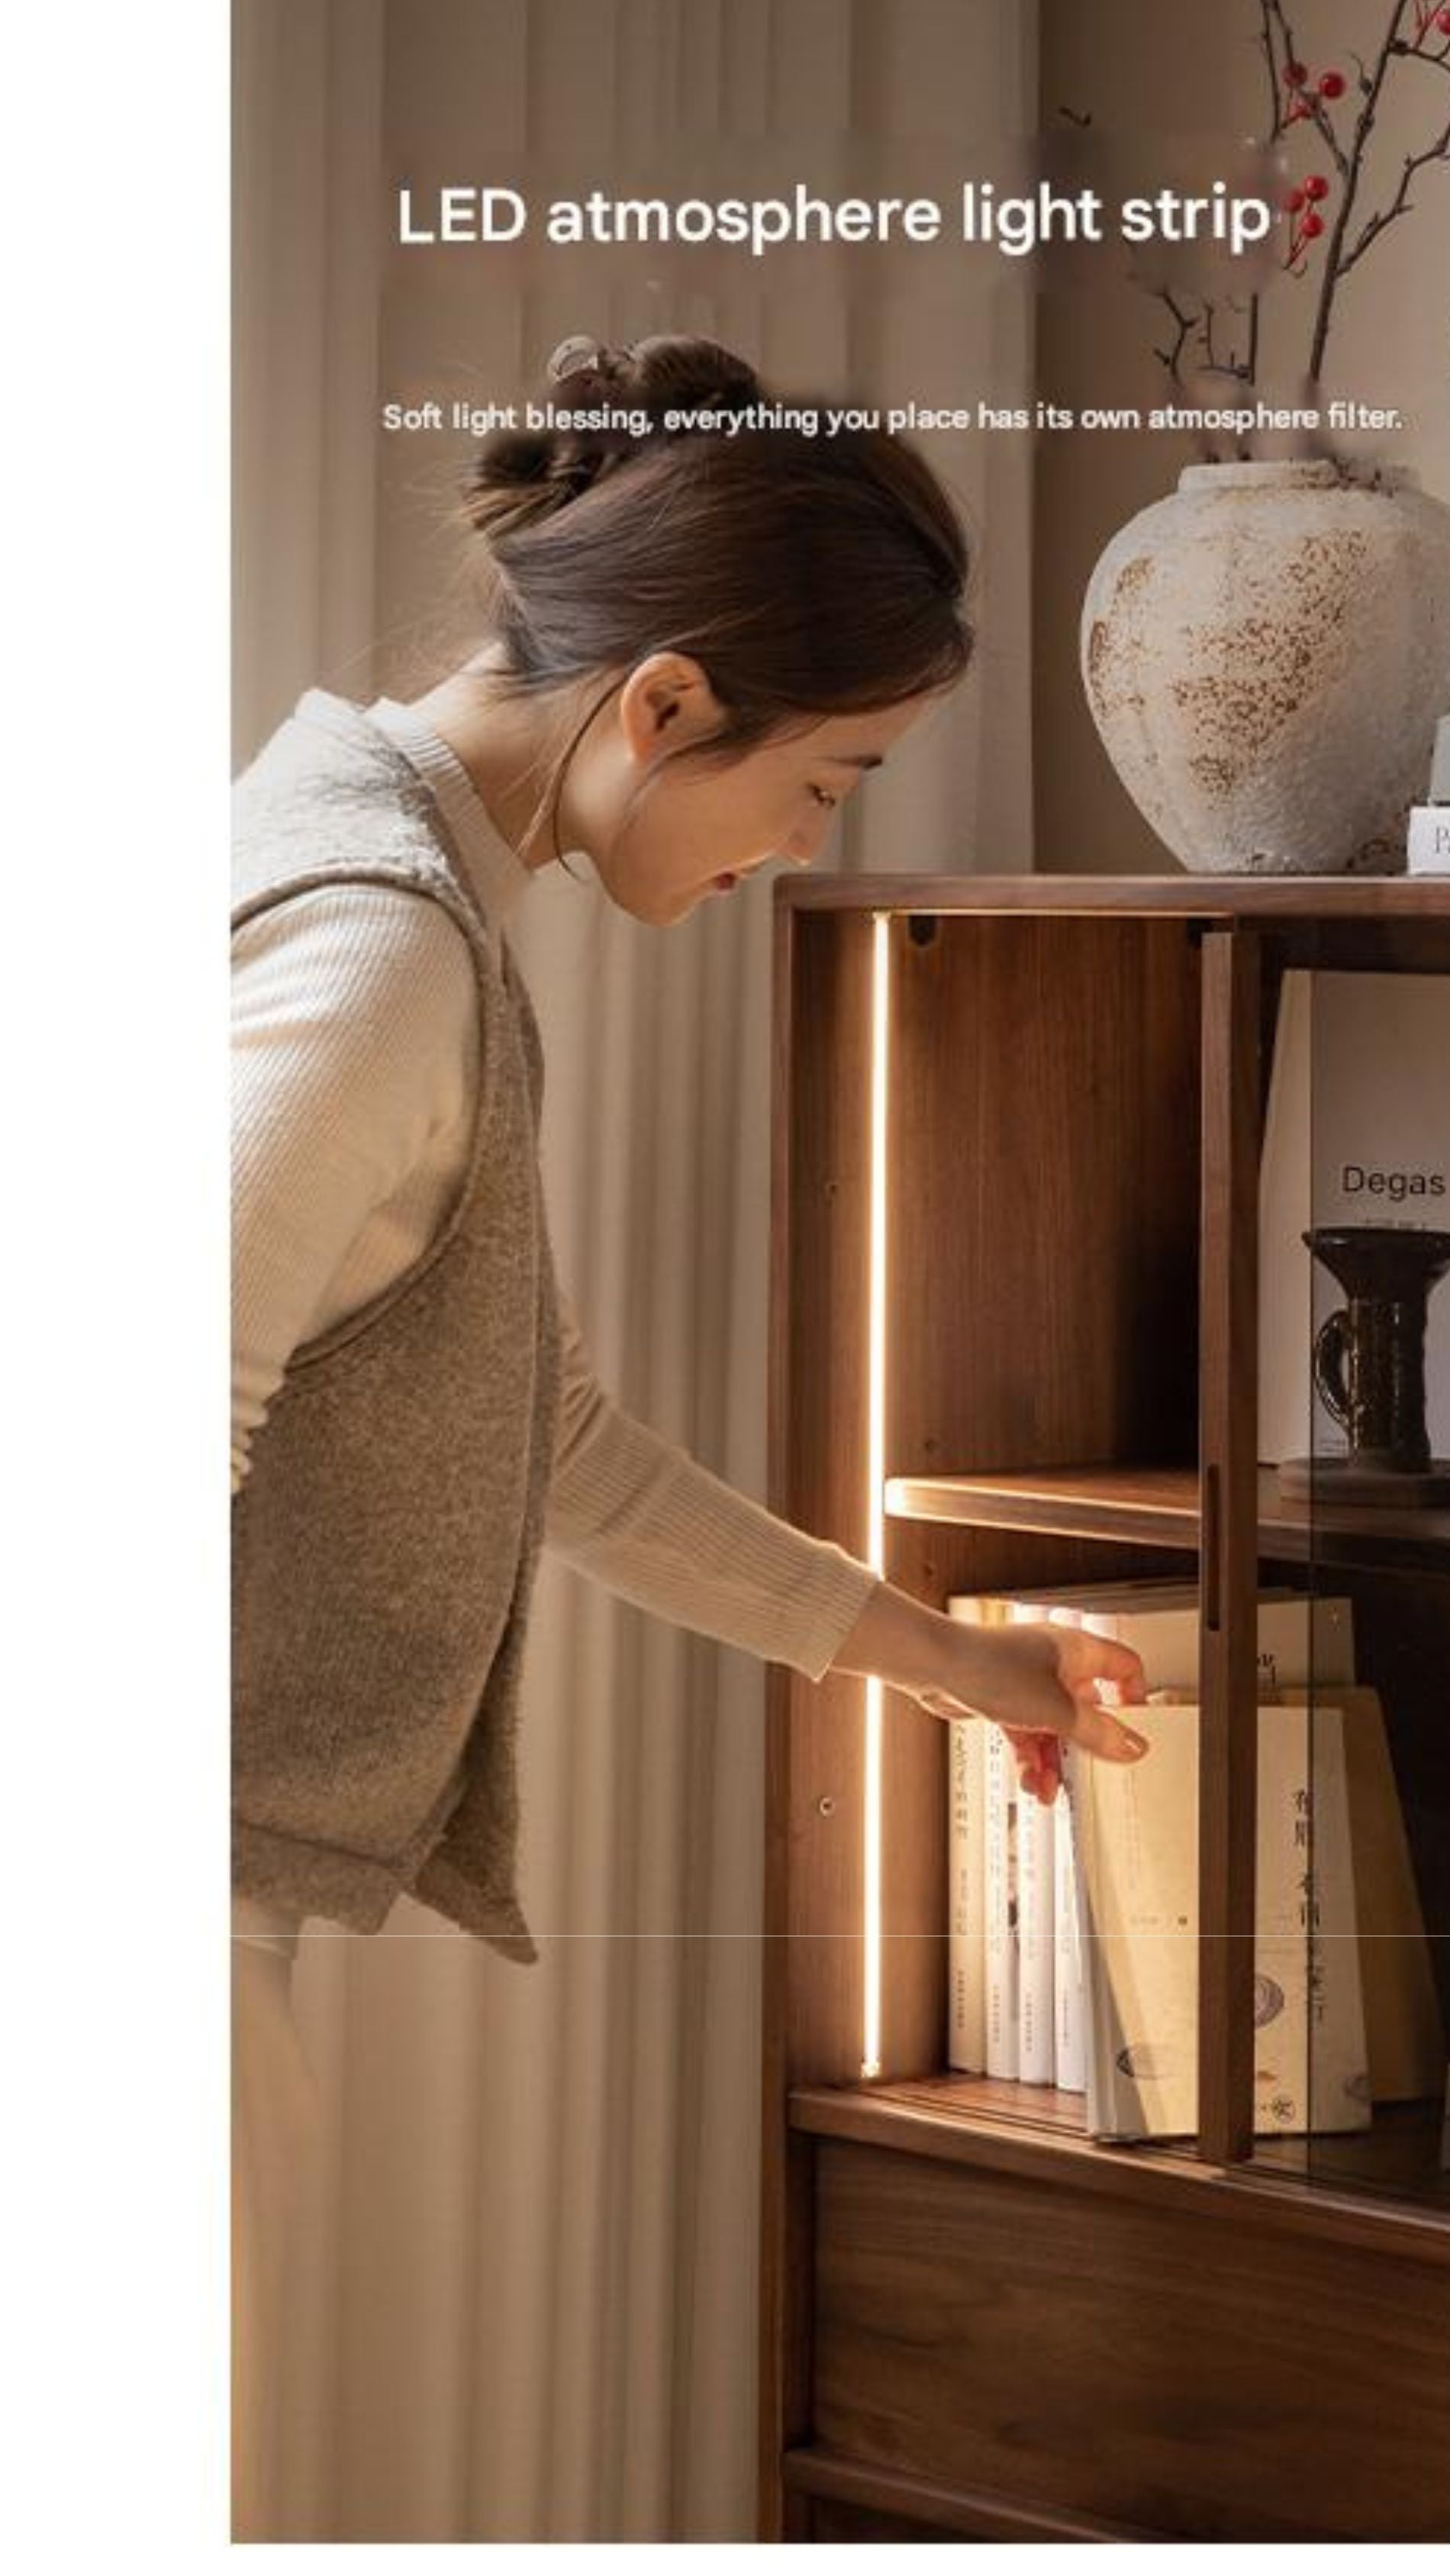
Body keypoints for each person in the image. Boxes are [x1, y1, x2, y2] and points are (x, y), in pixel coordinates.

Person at [229, 332, 1149, 2536]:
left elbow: (550, 1440)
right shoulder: (383, 956)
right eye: (823, 783)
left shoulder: (340, 847)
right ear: (662, 707)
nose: (805, 845)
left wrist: (958, 1661)